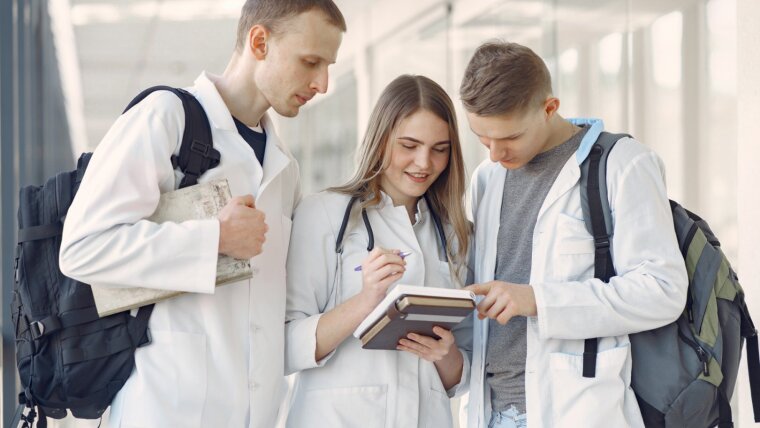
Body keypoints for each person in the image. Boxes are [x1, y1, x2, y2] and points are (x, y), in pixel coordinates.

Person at [58, 1, 345, 427]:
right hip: (164, 410)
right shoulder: (166, 118)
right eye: (310, 62)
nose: (322, 83)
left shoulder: (285, 167)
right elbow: (83, 248)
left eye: (329, 66)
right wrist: (215, 240)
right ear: (260, 41)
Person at [459, 41, 688, 428]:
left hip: (577, 411)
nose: (496, 154)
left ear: (550, 108)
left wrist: (538, 300)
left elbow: (663, 289)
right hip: (490, 412)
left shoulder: (623, 165)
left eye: (510, 138)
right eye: (483, 139)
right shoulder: (487, 178)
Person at [283, 74, 472, 428]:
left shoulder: (455, 235)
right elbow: (284, 345)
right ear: (381, 139)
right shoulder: (324, 214)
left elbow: (461, 376)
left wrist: (445, 355)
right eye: (409, 145)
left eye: (439, 149)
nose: (424, 163)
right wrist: (366, 300)